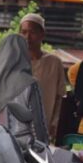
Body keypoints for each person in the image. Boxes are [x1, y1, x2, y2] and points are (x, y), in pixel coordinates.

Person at [19, 13, 66, 142]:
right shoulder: (15, 62)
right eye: (23, 32)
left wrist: (54, 124)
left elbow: (60, 97)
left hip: (44, 130)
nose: (27, 37)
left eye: (32, 32)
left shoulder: (54, 62)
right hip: (17, 130)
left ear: (42, 34)